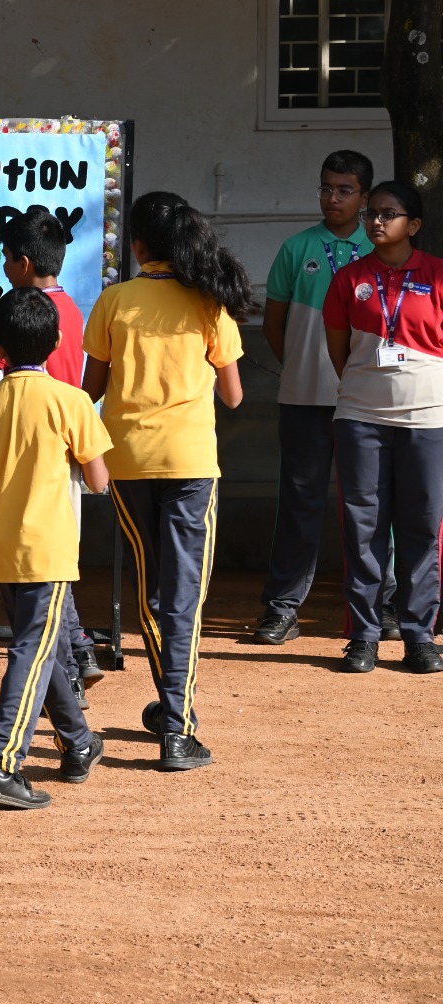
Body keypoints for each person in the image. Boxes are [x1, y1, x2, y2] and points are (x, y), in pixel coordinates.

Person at [82, 191, 249, 772]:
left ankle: (171, 708)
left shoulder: (114, 300)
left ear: (137, 245)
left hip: (127, 461)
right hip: (190, 461)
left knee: (154, 589)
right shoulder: (209, 302)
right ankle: (178, 725)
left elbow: (90, 391)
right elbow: (233, 395)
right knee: (185, 594)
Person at [0, 288, 112, 809]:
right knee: (33, 651)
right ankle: (2, 762)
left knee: (39, 649)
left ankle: (78, 741)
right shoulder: (71, 401)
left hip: (2, 546)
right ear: (58, 341)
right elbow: (99, 481)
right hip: (48, 548)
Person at [0, 205, 102, 702]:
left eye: (6, 258)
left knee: (32, 584)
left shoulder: (17, 315)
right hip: (64, 454)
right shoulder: (71, 311)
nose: (3, 267)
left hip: (23, 456)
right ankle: (77, 653)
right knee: (54, 570)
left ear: (23, 262)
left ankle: (70, 667)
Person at [255, 151, 382, 645]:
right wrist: (301, 366)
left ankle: (383, 607)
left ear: (364, 197)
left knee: (370, 505)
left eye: (344, 190)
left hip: (368, 401)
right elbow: (273, 323)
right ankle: (282, 608)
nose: (333, 198)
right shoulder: (297, 248)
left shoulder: (380, 250)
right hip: (305, 396)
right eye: (326, 188)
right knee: (300, 503)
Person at [323, 180, 443, 674]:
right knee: (363, 528)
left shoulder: (437, 275)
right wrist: (365, 388)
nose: (375, 220)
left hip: (428, 417)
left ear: (413, 225)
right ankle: (364, 636)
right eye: (371, 212)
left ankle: (419, 635)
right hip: (361, 417)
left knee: (421, 526)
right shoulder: (349, 278)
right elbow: (338, 348)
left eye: (388, 214)